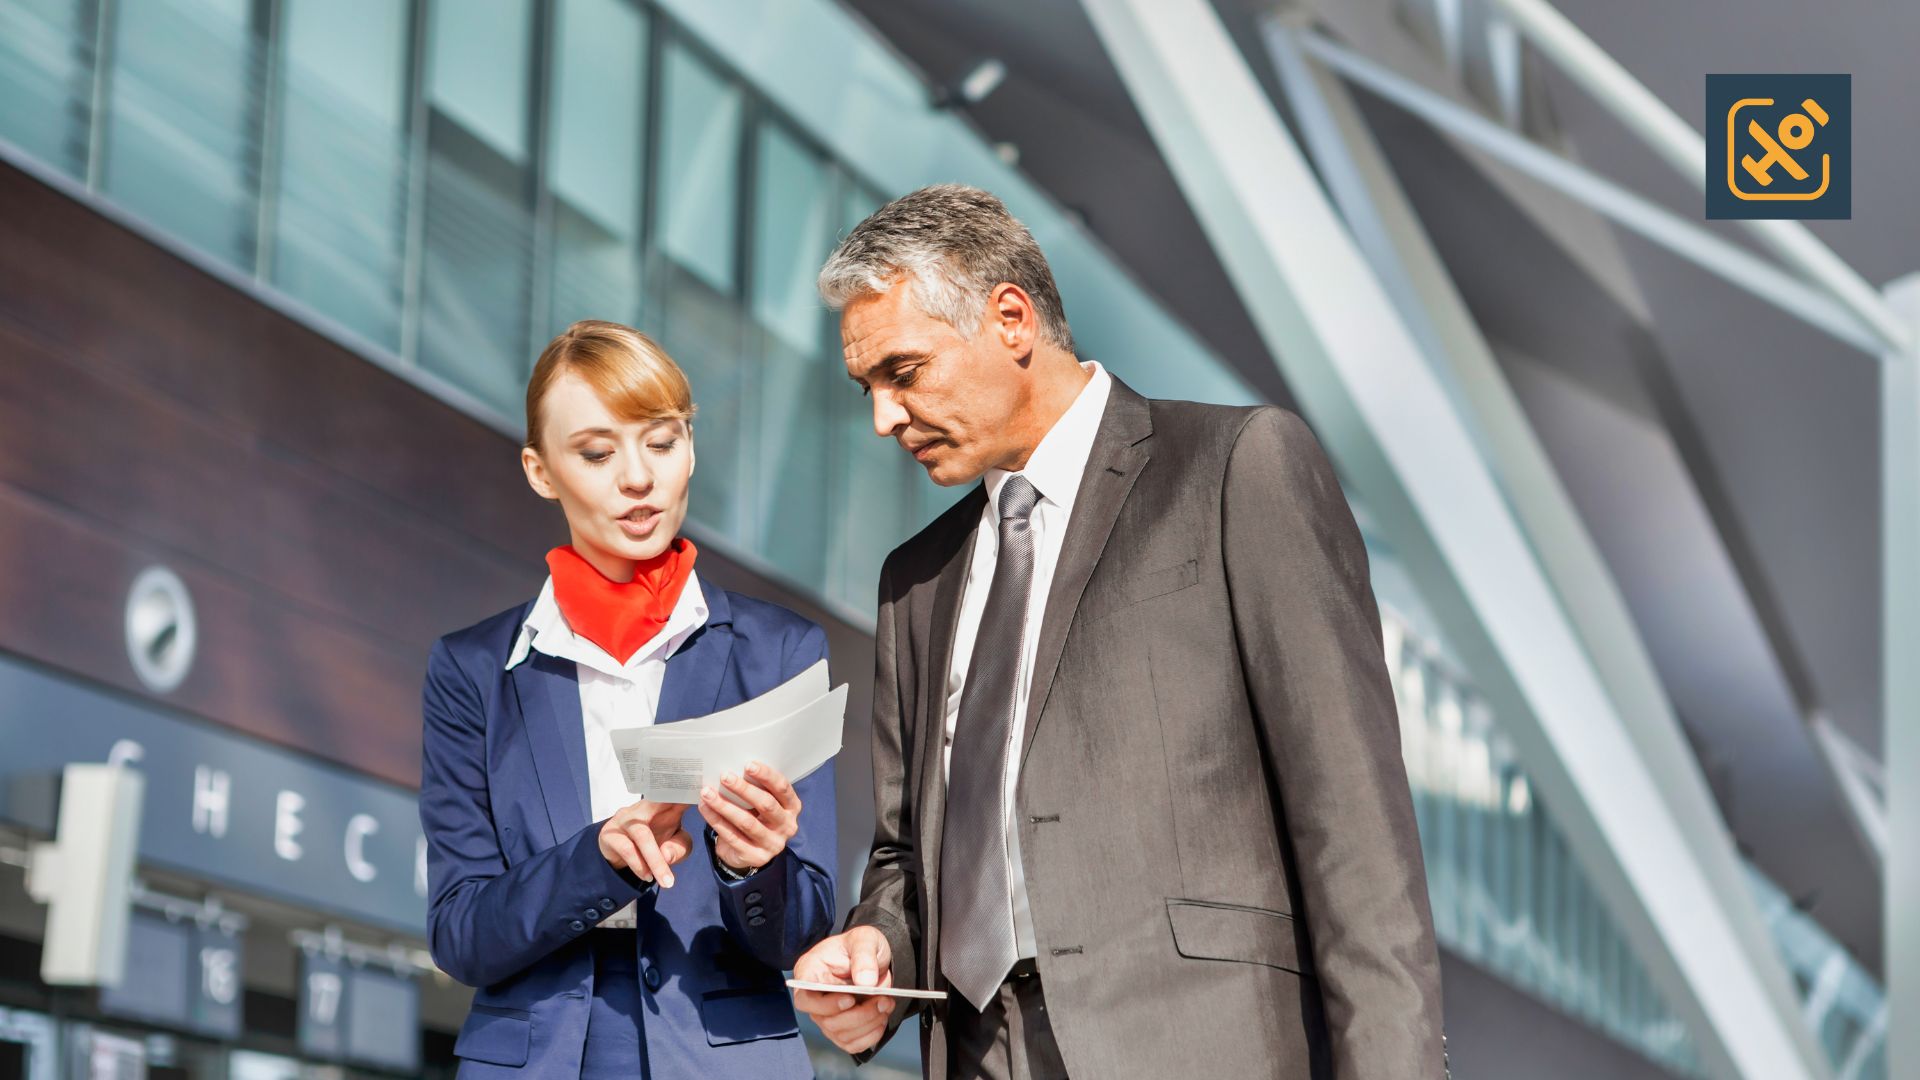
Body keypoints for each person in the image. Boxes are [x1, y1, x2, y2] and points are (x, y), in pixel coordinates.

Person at [791, 186, 1448, 1079]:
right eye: (868, 387)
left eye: (903, 373)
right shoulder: (916, 581)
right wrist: (877, 945)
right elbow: (908, 850)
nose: (883, 417)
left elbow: (1355, 830)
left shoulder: (1235, 469)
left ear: (1011, 318)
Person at [418, 320, 836, 1078]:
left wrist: (755, 868)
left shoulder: (780, 650)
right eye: (597, 452)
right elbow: (458, 933)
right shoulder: (473, 669)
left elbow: (804, 930)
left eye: (662, 440)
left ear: (691, 450)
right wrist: (598, 857)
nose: (637, 477)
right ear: (541, 471)